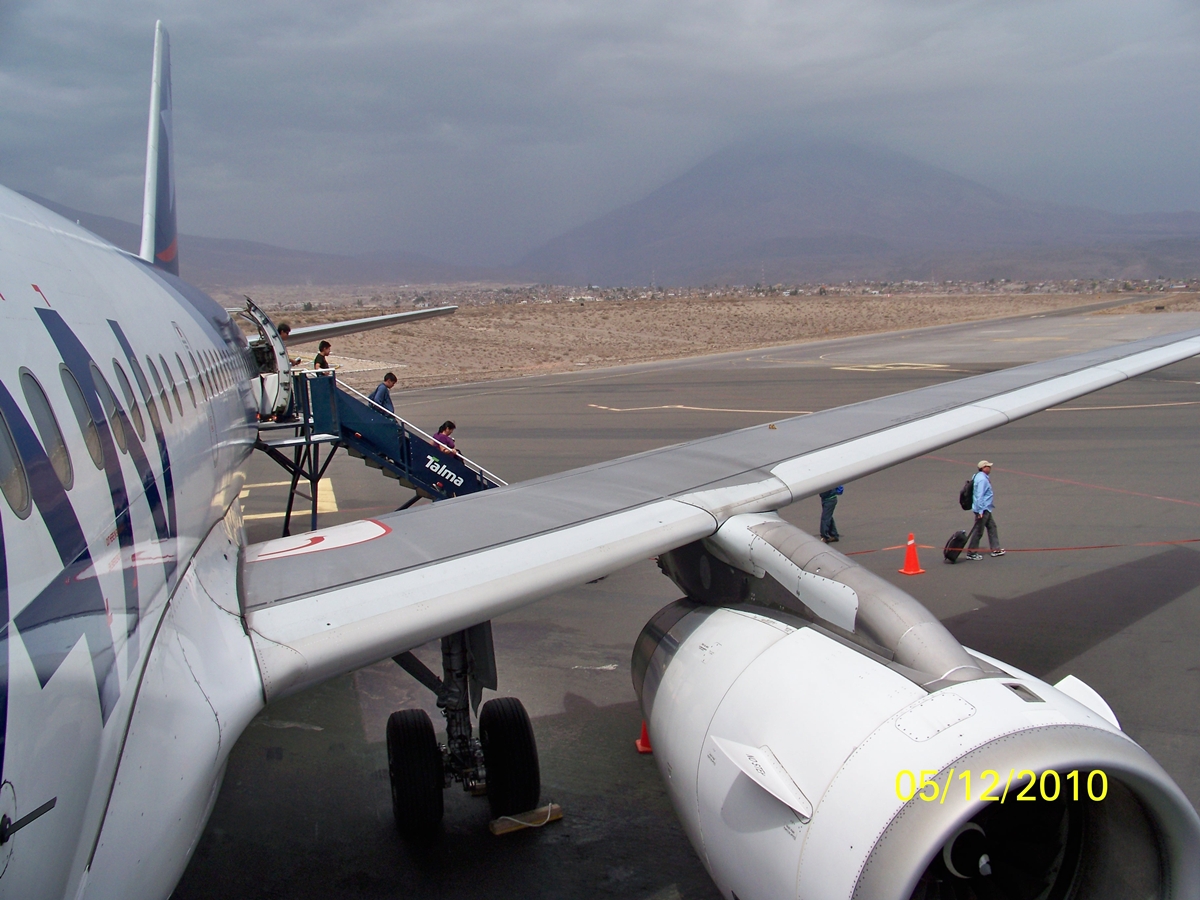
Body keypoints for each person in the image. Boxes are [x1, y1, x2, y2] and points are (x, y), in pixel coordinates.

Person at [964, 460, 1004, 560]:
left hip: (986, 508)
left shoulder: (977, 476)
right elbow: (980, 495)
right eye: (988, 466)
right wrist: (980, 511)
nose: (990, 468)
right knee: (978, 531)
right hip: (982, 509)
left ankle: (995, 549)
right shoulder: (982, 480)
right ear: (983, 468)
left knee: (992, 527)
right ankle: (971, 552)